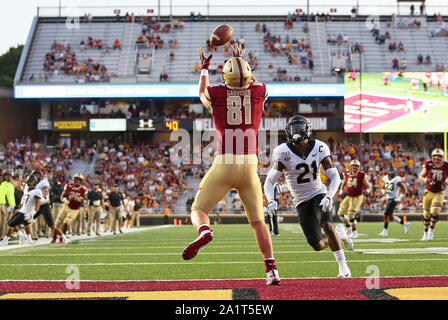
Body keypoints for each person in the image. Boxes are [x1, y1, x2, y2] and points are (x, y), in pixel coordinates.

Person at [182, 43, 281, 285]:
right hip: (249, 165)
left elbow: (201, 93)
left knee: (198, 209)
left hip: (224, 161)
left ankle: (205, 232)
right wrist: (241, 59)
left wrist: (205, 68)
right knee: (258, 222)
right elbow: (252, 82)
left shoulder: (216, 94)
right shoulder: (259, 91)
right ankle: (272, 271)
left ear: (224, 76)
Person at [264, 116, 351, 278]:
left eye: (299, 128)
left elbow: (335, 176)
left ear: (307, 130)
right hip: (301, 201)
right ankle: (340, 234)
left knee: (326, 224)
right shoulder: (283, 151)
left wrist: (329, 196)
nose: (295, 132)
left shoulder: (319, 147)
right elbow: (269, 181)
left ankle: (343, 267)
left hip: (319, 193)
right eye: (292, 129)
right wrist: (270, 200)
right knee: (317, 245)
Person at [0, 175, 40, 246]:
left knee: (11, 224)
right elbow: (23, 197)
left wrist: (32, 214)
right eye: (30, 182)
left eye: (33, 182)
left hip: (26, 212)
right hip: (22, 210)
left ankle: (5, 241)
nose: (31, 184)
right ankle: (28, 240)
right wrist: (17, 206)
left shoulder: (37, 191)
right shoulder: (26, 188)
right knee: (26, 225)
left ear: (35, 182)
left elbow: (37, 204)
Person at [418, 148, 448, 241]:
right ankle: (425, 232)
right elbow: (421, 176)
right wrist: (426, 180)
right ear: (432, 157)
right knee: (426, 214)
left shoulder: (446, 165)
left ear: (442, 157)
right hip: (429, 191)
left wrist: (446, 181)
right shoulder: (428, 164)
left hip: (439, 192)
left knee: (435, 212)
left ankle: (431, 230)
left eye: (439, 156)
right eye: (435, 156)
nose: (437, 158)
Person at [337, 159, 371, 239]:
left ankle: (355, 232)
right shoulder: (347, 173)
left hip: (357, 197)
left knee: (351, 215)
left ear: (359, 167)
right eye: (353, 165)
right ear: (350, 166)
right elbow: (344, 183)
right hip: (348, 196)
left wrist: (368, 190)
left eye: (356, 166)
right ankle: (348, 227)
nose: (354, 167)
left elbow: (367, 185)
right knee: (340, 213)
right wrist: (341, 190)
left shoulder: (362, 175)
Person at [51, 173, 87, 244]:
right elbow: (62, 196)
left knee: (66, 222)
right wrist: (64, 199)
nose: (77, 181)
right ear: (74, 179)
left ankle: (62, 237)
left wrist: (82, 200)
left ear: (81, 181)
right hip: (66, 207)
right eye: (76, 179)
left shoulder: (83, 189)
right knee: (57, 223)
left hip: (74, 209)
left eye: (79, 180)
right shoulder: (68, 186)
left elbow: (86, 201)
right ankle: (54, 238)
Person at [378, 168, 410, 236]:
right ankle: (406, 224)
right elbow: (384, 187)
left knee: (386, 214)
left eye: (393, 173)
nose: (392, 174)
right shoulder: (385, 178)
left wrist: (399, 198)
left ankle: (385, 231)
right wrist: (383, 191)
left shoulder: (397, 179)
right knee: (390, 217)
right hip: (388, 198)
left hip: (394, 199)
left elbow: (405, 190)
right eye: (391, 172)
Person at [0, 172, 16, 238]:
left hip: (12, 205)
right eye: (7, 176)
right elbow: (5, 195)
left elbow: (12, 196)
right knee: (3, 221)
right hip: (5, 204)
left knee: (9, 221)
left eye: (10, 176)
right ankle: (2, 235)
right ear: (5, 177)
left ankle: (8, 234)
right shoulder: (2, 184)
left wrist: (13, 205)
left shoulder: (12, 185)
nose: (9, 178)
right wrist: (7, 204)